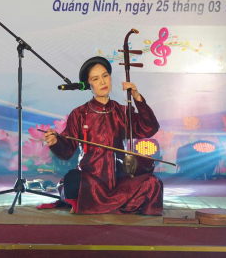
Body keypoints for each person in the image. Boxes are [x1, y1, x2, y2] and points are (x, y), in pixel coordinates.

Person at [44, 56, 164, 215]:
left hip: (119, 179)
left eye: (105, 76)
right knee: (72, 180)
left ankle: (91, 205)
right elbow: (66, 151)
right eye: (95, 79)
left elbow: (149, 128)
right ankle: (114, 204)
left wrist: (137, 98)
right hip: (90, 179)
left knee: (153, 183)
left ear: (110, 78)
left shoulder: (122, 112)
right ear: (89, 84)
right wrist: (55, 141)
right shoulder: (79, 114)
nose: (102, 82)